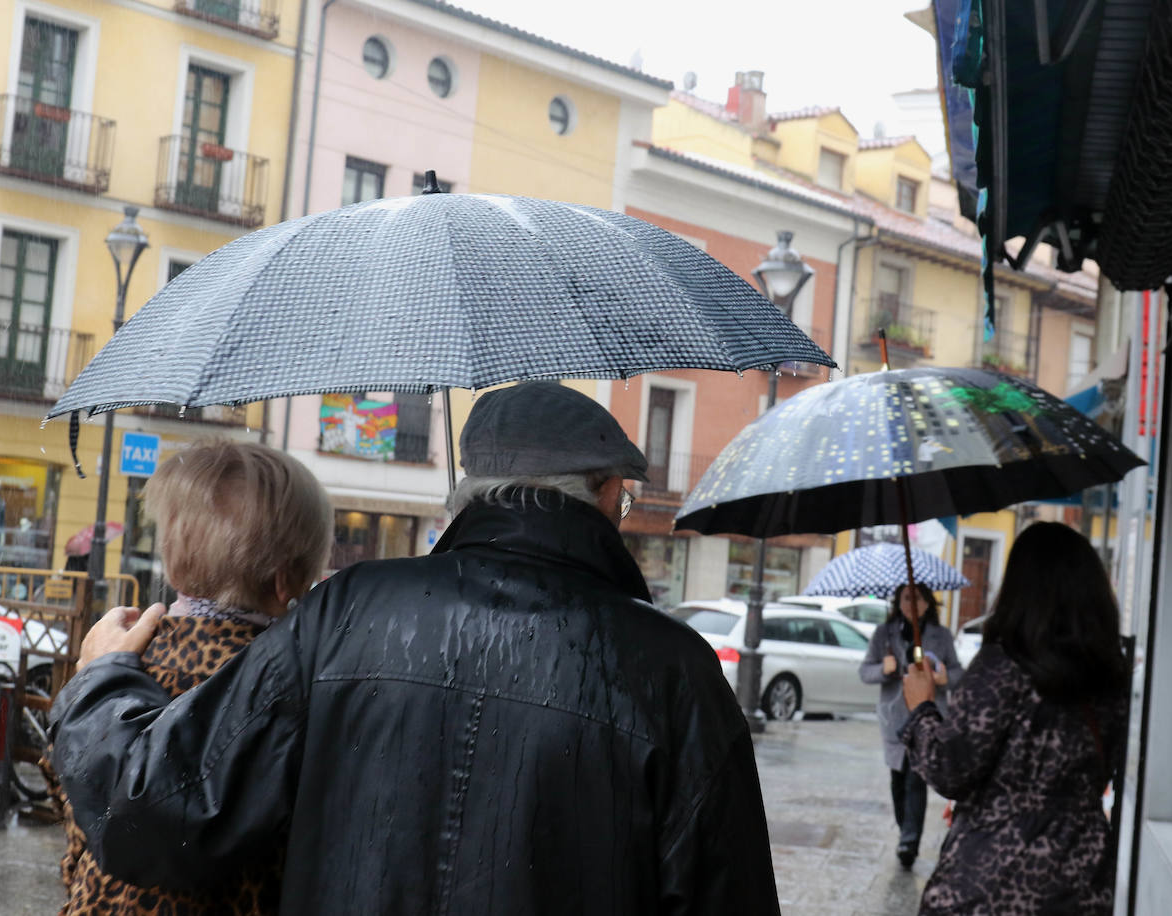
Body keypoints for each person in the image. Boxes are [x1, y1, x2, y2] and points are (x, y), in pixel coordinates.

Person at [49, 382, 779, 916]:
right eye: (621, 503)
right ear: (606, 491)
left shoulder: (343, 610)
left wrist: (104, 678)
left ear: (472, 492)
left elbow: (157, 808)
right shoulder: (675, 671)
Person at [48, 440, 332, 915]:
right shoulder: (291, 691)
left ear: (173, 560)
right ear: (287, 582)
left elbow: (73, 800)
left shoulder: (114, 663)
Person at [900, 522, 1129, 915]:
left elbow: (950, 769)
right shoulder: (1111, 676)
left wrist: (922, 708)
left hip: (993, 880)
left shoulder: (1002, 667)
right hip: (1083, 881)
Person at [858, 581, 963, 868]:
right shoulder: (884, 634)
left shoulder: (940, 636)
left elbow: (957, 672)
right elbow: (865, 672)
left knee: (916, 779)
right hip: (894, 718)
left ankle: (909, 841)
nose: (911, 604)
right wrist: (884, 668)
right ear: (897, 602)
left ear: (928, 602)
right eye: (906, 598)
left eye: (917, 598)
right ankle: (906, 829)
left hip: (927, 717)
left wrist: (944, 678)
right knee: (898, 782)